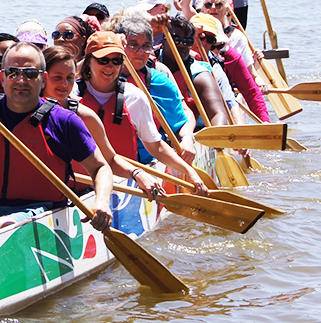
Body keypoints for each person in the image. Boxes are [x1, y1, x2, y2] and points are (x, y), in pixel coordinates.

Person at [0, 42, 114, 244]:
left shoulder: (64, 120)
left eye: (30, 73)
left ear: (43, 79)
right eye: (13, 73)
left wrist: (102, 201)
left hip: (43, 212)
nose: (21, 80)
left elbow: (101, 167)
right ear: (2, 78)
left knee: (0, 227)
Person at [77, 33, 205, 191]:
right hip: (79, 186)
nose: (110, 66)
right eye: (103, 60)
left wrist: (188, 170)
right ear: (88, 61)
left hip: (123, 182)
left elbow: (156, 146)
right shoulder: (73, 95)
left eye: (116, 60)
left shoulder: (134, 97)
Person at [41, 46, 161, 198]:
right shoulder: (22, 111)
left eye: (70, 77)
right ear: (43, 78)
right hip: (36, 197)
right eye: (57, 77)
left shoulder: (85, 115)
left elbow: (110, 159)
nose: (65, 84)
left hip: (78, 195)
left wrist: (137, 173)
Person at [112, 15, 198, 164]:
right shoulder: (101, 75)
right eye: (133, 45)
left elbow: (181, 120)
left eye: (146, 46)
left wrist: (187, 139)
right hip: (110, 162)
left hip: (148, 163)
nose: (141, 52)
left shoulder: (158, 81)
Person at [156, 15, 229, 128]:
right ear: (163, 40)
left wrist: (218, 137)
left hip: (195, 130)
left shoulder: (199, 73)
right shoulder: (150, 63)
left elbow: (217, 113)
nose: (181, 45)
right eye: (176, 40)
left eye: (188, 41)